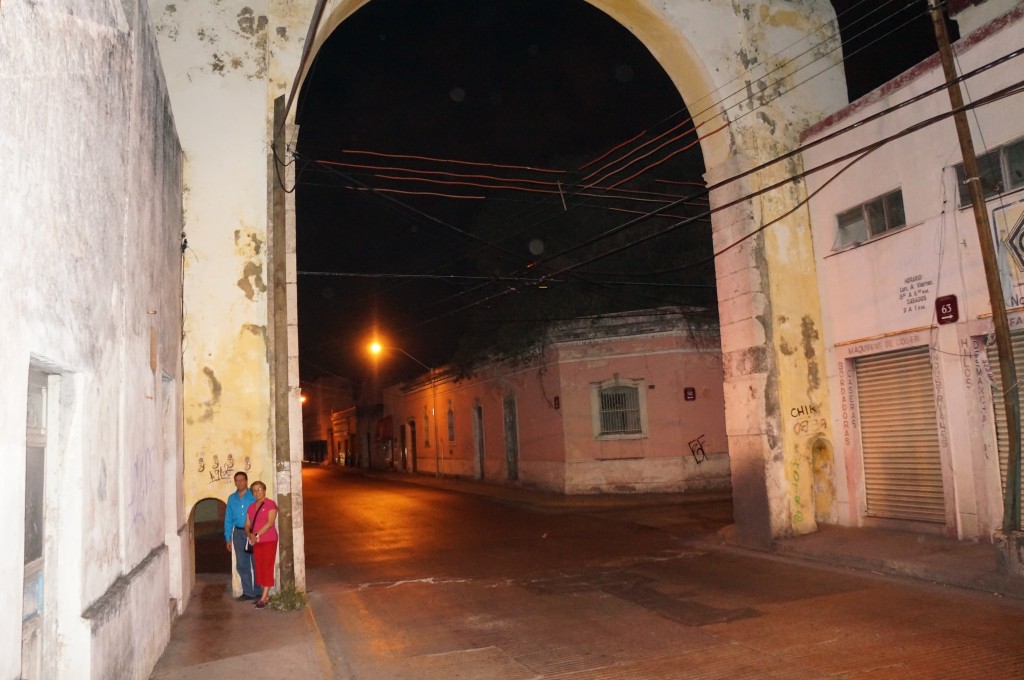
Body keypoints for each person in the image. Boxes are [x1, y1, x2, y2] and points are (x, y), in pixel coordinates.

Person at [224, 471, 258, 601]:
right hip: (238, 533)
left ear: (246, 481)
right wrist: (228, 538)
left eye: (242, 480)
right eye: (237, 480)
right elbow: (228, 519)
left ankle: (259, 591)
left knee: (256, 563)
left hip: (253, 533)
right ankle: (248, 592)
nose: (239, 483)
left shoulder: (254, 496)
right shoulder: (231, 499)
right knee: (242, 564)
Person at [245, 480, 279, 609]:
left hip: (269, 540)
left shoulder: (270, 504)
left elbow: (270, 522)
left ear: (264, 490)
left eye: (259, 489)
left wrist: (256, 535)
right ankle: (266, 595)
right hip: (256, 542)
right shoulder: (251, 507)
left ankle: (264, 597)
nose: (257, 492)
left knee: (267, 566)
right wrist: (250, 535)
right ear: (252, 493)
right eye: (254, 490)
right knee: (259, 567)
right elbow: (247, 524)